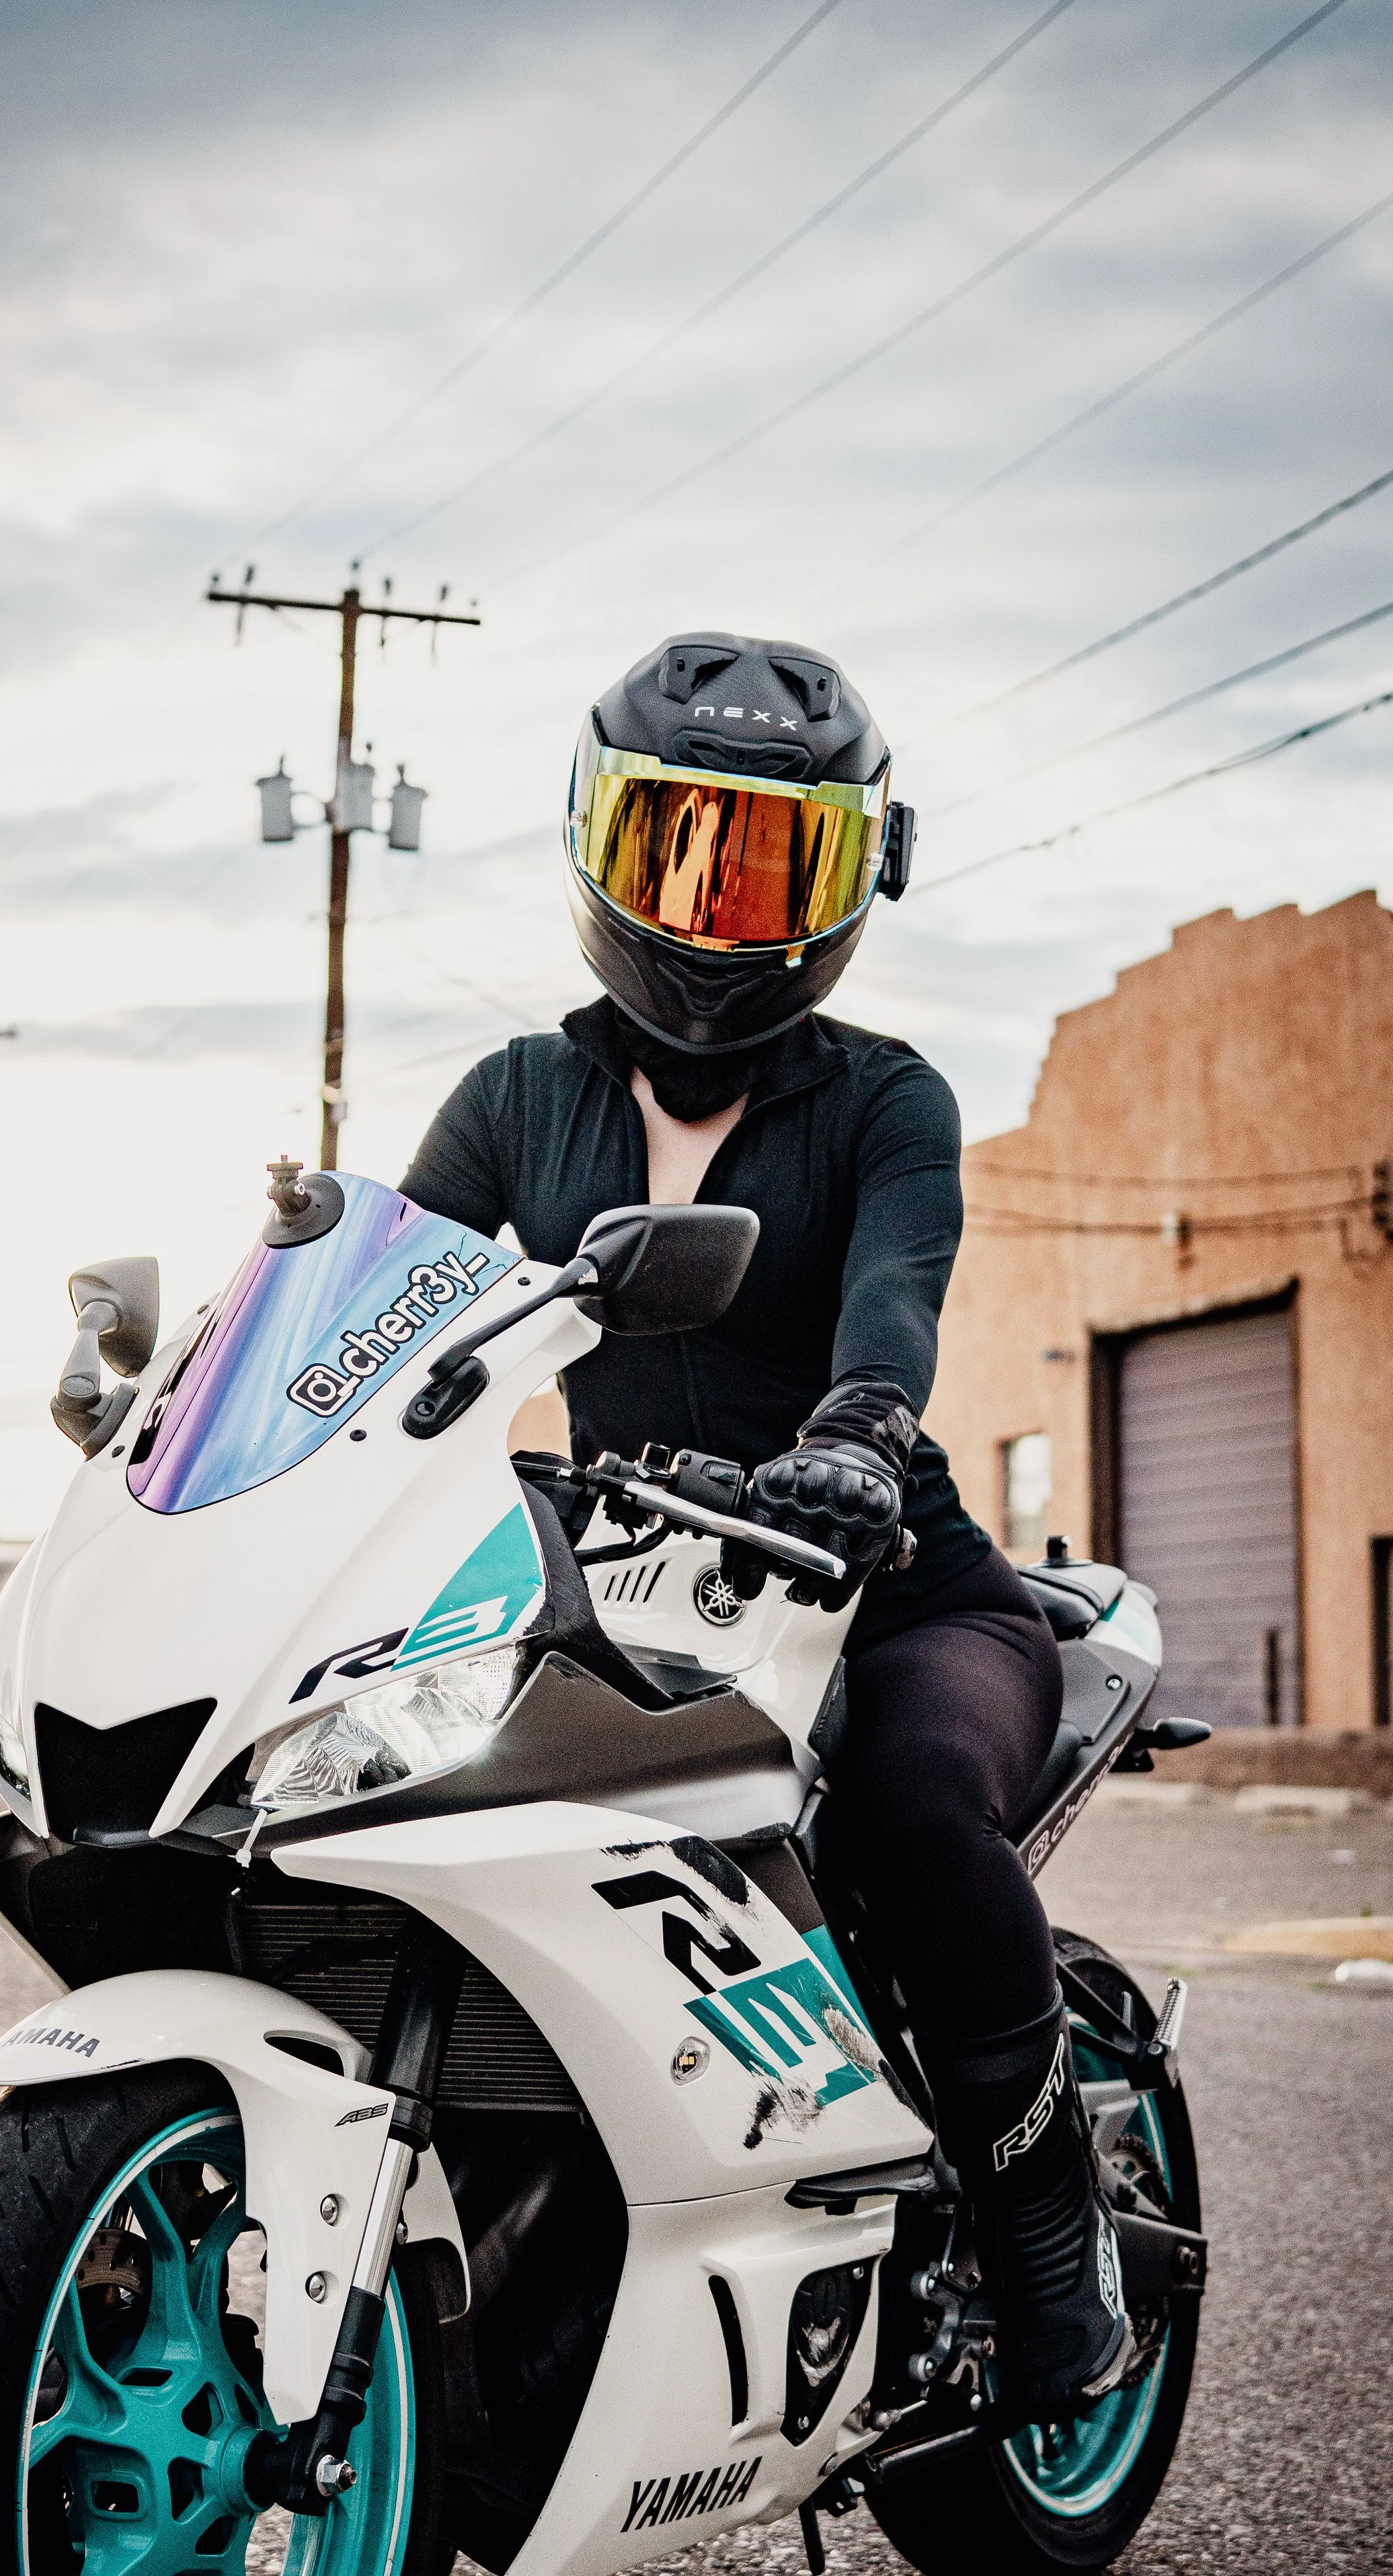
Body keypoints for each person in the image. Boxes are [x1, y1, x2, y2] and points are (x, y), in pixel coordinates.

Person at [401, 631, 1131, 2421]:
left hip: (888, 1587)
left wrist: (859, 1439)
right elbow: (385, 1310)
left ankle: (1049, 2237)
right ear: (595, 840)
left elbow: (893, 1289)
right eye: (677, 850)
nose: (715, 912)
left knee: (903, 1812)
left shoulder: (885, 1100)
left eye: (767, 863)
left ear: (848, 876)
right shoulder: (514, 1098)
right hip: (622, 1580)